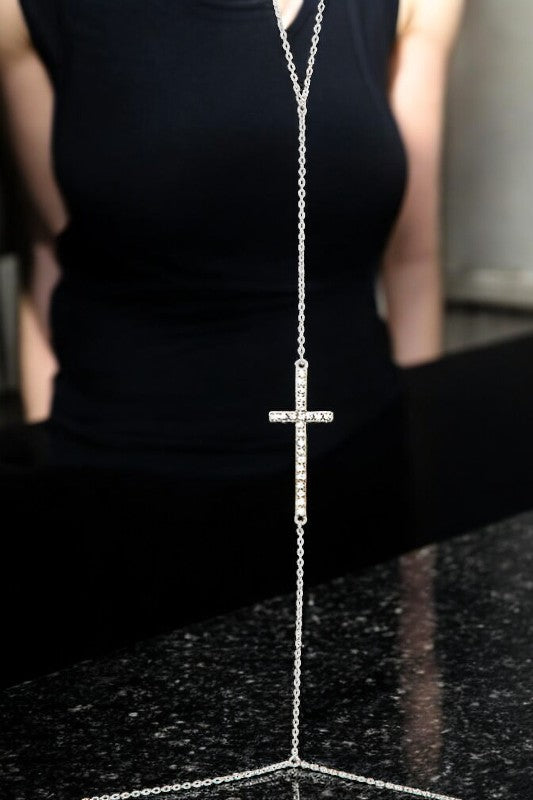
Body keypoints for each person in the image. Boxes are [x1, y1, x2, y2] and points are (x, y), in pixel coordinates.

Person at [0, 0, 465, 685]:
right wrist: (53, 498)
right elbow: (55, 257)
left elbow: (413, 263)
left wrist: (421, 569)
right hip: (118, 498)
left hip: (357, 488)